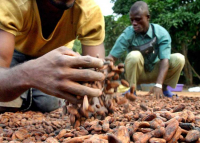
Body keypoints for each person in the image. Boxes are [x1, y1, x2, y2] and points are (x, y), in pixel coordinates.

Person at [0, 0, 106, 112]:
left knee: (48, 105)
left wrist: (93, 101)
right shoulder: (12, 3)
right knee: (5, 104)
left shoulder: (89, 11)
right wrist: (28, 74)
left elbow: (96, 75)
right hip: (14, 51)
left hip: (56, 56)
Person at [107, 1, 185, 99]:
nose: (134, 23)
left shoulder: (161, 33)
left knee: (179, 58)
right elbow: (111, 58)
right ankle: (132, 90)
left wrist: (159, 85)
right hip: (137, 74)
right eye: (132, 20)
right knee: (134, 55)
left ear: (148, 17)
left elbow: (165, 60)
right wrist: (102, 75)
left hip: (156, 72)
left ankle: (164, 89)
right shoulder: (128, 33)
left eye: (138, 19)